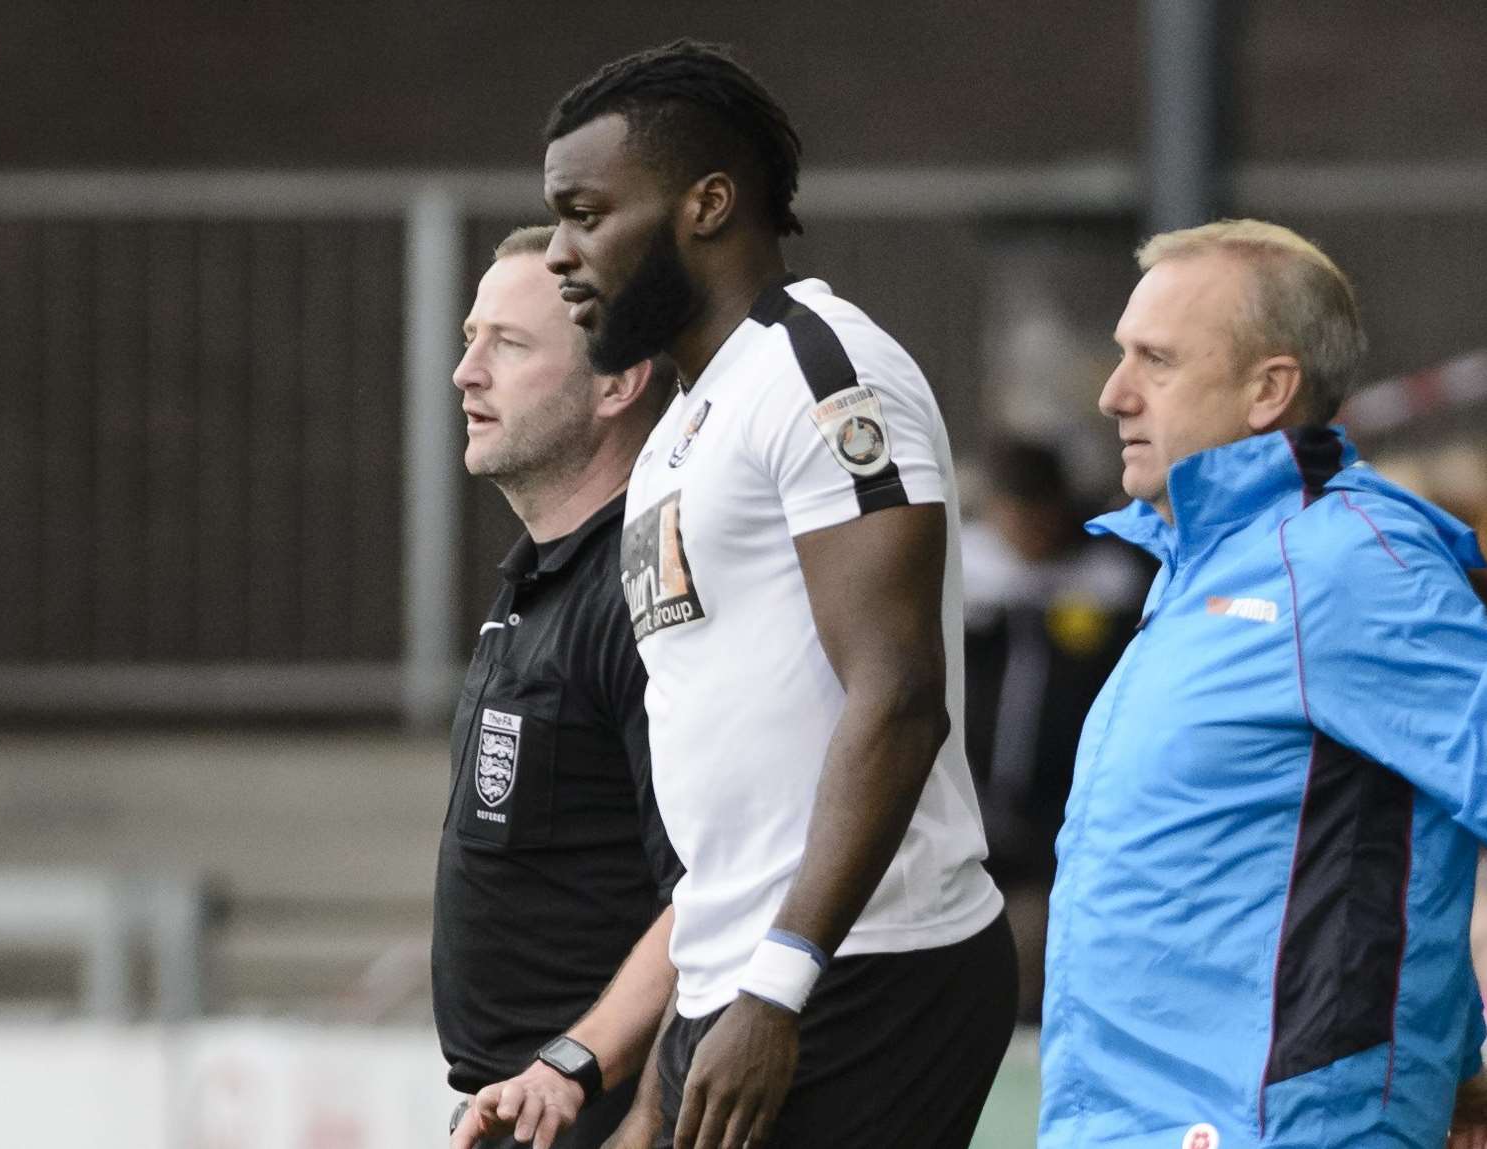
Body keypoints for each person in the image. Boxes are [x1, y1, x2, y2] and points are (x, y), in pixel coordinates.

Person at [540, 40, 1016, 1149]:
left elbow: (897, 695)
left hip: (865, 966)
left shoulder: (822, 371)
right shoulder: (688, 419)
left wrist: (778, 987)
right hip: (743, 975)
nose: (562, 252)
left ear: (708, 205)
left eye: (584, 212)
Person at [1038, 218, 1487, 1149]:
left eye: (1155, 360)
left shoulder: (1351, 564)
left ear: (1268, 390)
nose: (1113, 393)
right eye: (1123, 356)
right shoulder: (1194, 568)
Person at [433, 224, 682, 1149]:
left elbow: (716, 888)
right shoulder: (535, 579)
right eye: (469, 337)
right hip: (522, 1110)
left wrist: (621, 1096)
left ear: (619, 383)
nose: (466, 372)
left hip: (600, 1110)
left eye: (509, 344)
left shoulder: (645, 593)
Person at [960, 436, 1149, 1022]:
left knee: (1031, 964)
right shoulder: (963, 570)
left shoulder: (1114, 577)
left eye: (1037, 512)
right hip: (968, 807)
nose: (1025, 529)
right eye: (1011, 512)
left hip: (1061, 819)